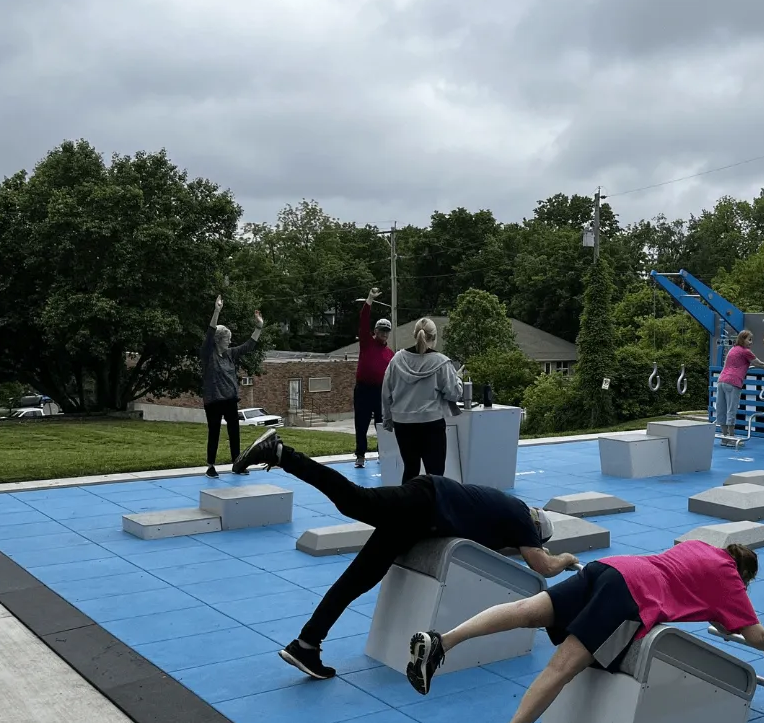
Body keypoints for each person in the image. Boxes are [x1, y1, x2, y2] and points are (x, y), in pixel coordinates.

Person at [404, 539, 764, 723]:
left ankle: (443, 641)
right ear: (744, 574)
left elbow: (707, 605)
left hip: (610, 568)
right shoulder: (730, 580)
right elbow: (755, 635)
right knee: (561, 668)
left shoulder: (701, 548)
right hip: (632, 597)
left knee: (524, 610)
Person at [231, 428, 577, 679]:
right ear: (536, 528)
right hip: (426, 503)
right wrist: (564, 559)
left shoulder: (507, 515)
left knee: (357, 580)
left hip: (420, 520)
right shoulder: (521, 517)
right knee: (356, 500)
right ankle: (282, 453)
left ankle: (306, 644)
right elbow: (542, 567)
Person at [381, 318, 462, 481]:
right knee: (435, 472)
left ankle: (408, 504)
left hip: (403, 423)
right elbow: (454, 393)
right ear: (435, 337)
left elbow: (386, 392)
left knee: (410, 469)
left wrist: (388, 419)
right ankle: (434, 504)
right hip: (431, 422)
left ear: (414, 335)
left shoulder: (397, 360)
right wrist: (457, 379)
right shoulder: (441, 362)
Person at [201, 295, 264, 478]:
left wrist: (258, 328)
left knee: (234, 432)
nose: (230, 341)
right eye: (227, 338)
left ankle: (237, 463)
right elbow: (210, 331)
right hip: (213, 401)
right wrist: (217, 311)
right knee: (214, 432)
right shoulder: (208, 355)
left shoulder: (229, 354)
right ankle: (211, 466)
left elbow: (248, 346)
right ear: (219, 339)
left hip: (230, 400)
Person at [353, 288, 393, 469]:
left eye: (387, 331)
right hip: (363, 389)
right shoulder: (367, 342)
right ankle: (360, 455)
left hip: (381, 391)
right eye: (381, 330)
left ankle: (382, 453)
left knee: (382, 425)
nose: (384, 334)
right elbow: (363, 321)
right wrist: (369, 299)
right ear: (375, 331)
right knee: (361, 423)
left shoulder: (390, 354)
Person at [715, 330, 764, 439]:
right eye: (749, 339)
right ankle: (731, 437)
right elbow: (759, 363)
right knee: (731, 410)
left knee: (721, 409)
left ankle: (724, 437)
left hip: (721, 380)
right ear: (743, 339)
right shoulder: (745, 351)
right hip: (733, 382)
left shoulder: (733, 349)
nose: (751, 342)